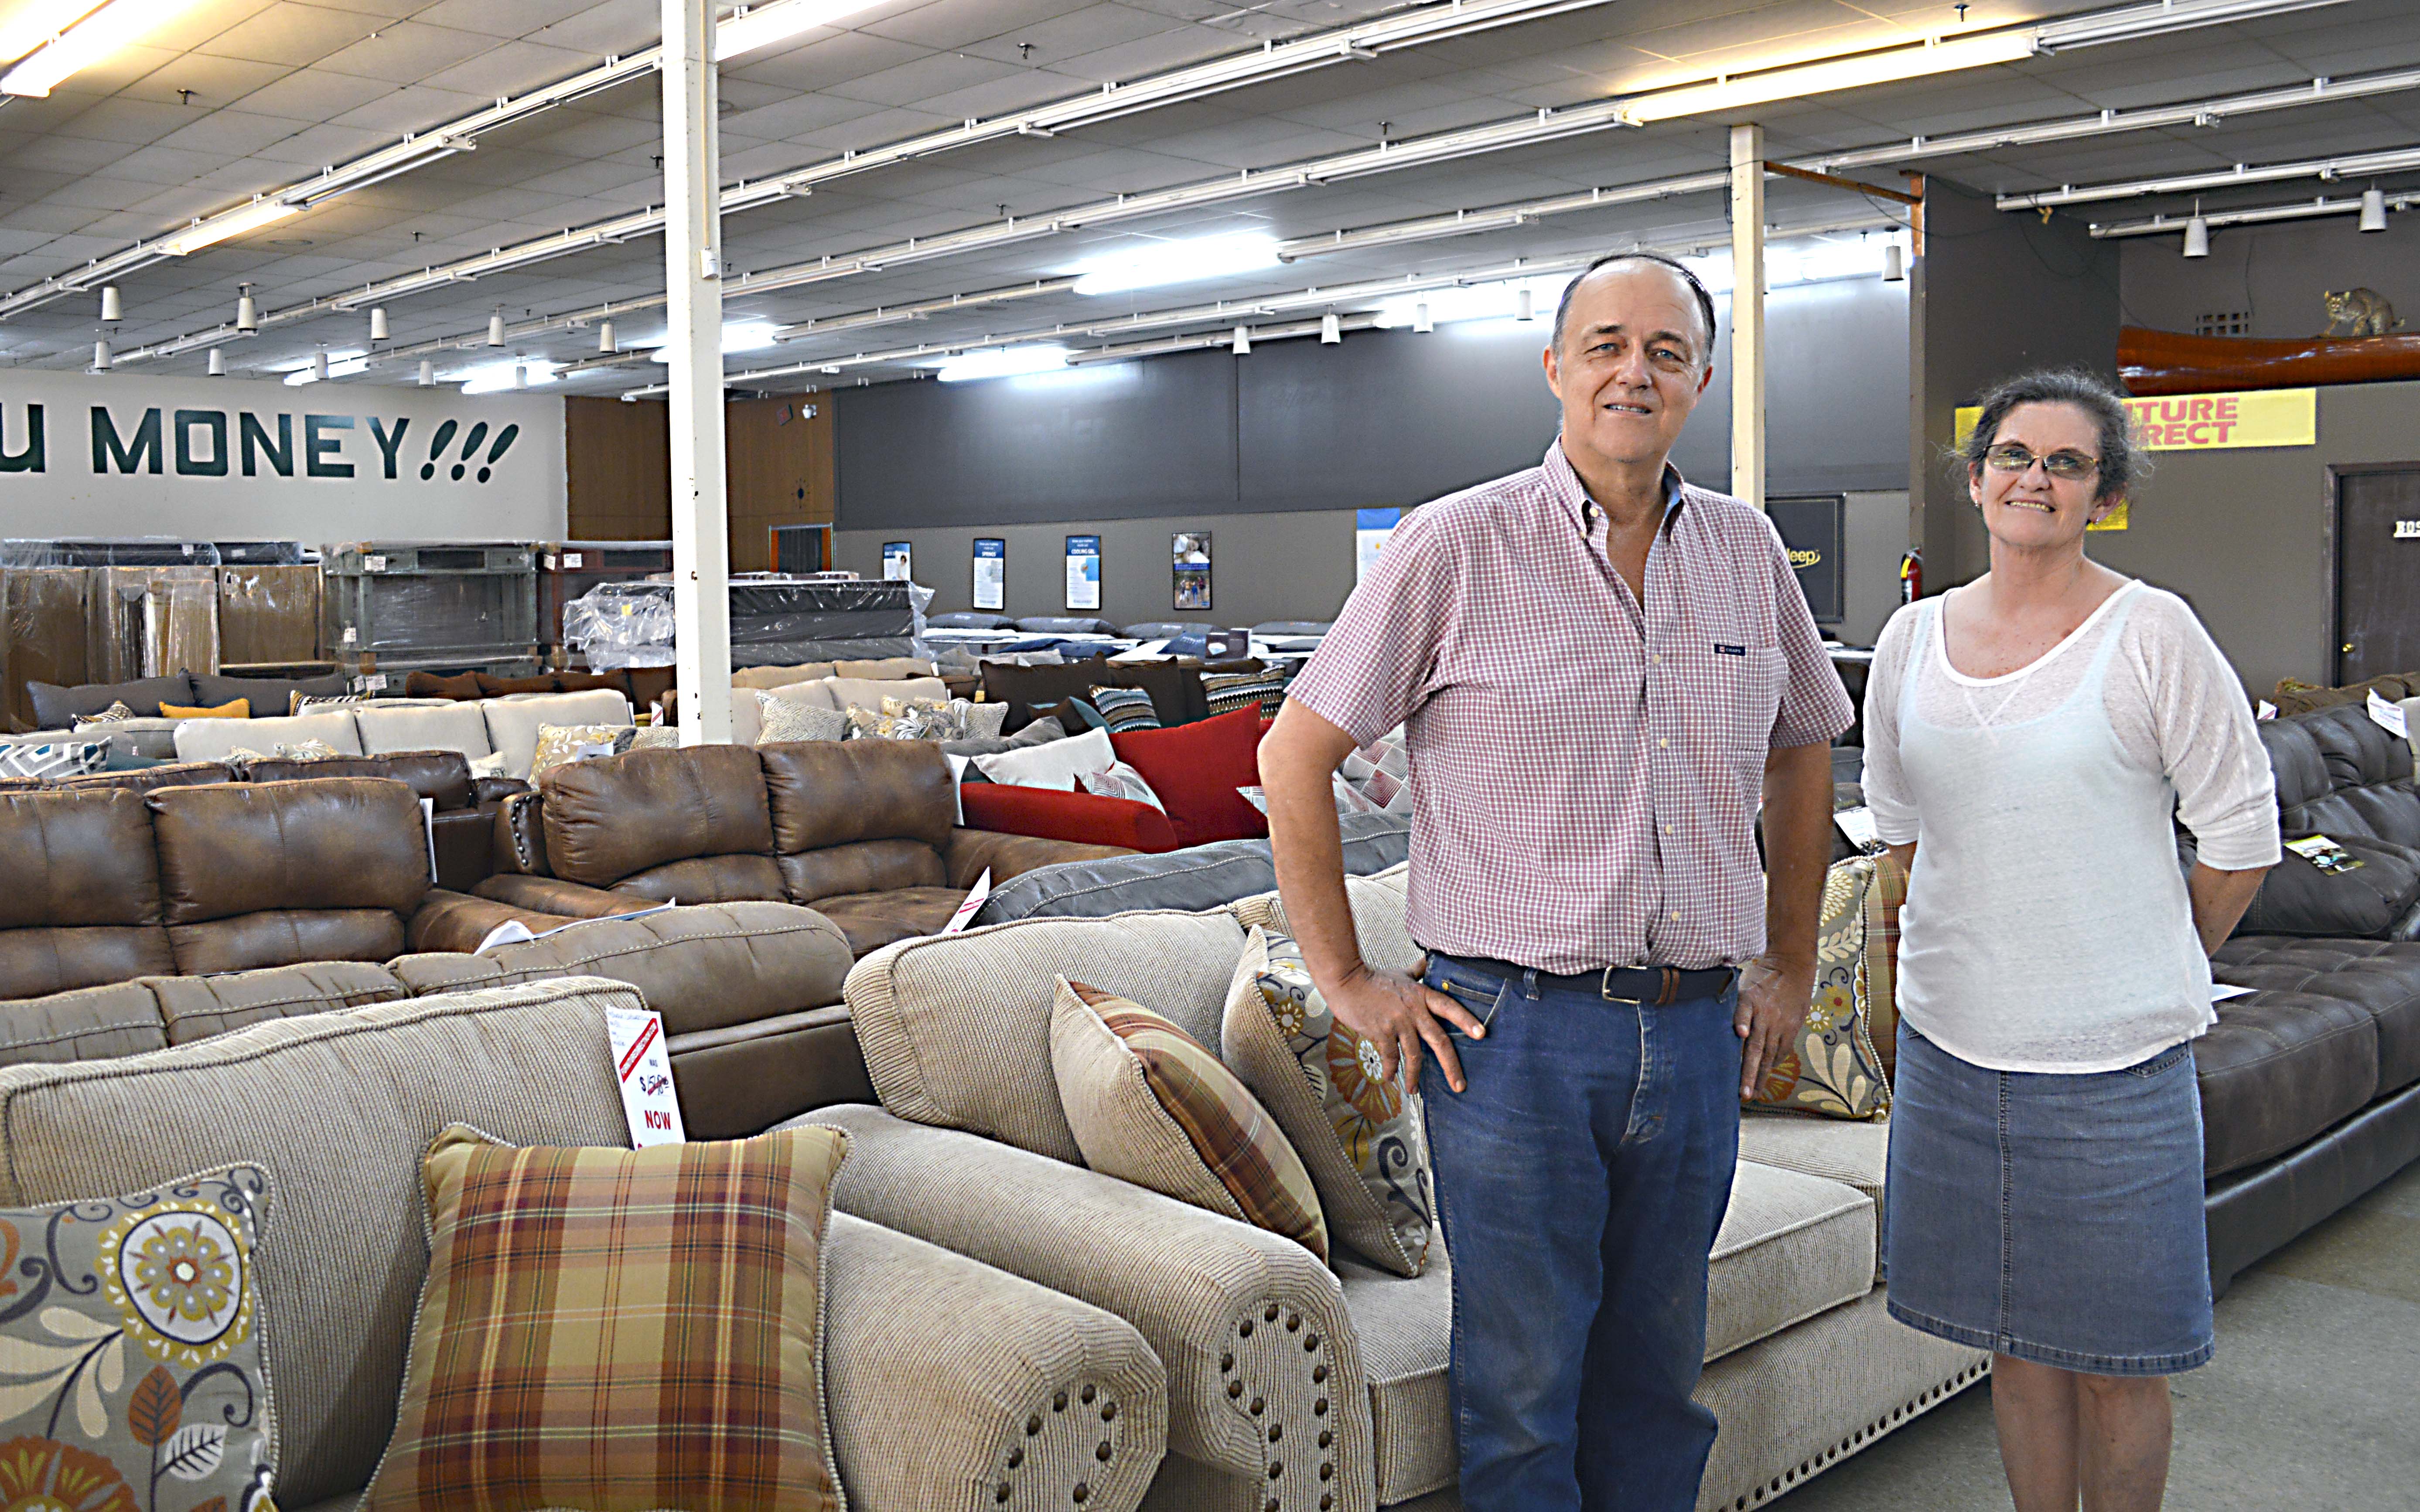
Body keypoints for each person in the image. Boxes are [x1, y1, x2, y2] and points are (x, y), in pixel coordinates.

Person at [1259, 250, 1853, 1511]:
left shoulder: (1747, 552)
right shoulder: (1455, 544)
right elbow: (1293, 753)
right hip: (1511, 1039)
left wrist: (1791, 958)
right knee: (1524, 1396)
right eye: (1606, 346)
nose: (1635, 372)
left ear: (1700, 381)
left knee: (1658, 1381)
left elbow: (1806, 740)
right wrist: (1346, 977)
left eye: (1667, 352)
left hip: (1697, 1032)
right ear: (1554, 369)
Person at [1861, 369, 2280, 1512]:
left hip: (2114, 1068)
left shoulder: (2152, 632)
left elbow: (2243, 835)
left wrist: (2149, 952)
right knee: (2018, 1346)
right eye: (2013, 455)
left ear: (2106, 494)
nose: (2034, 479)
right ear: (1976, 478)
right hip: (1954, 1057)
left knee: (2119, 1363)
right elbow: (1903, 836)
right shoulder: (1911, 639)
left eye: (2067, 463)